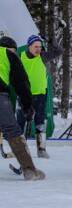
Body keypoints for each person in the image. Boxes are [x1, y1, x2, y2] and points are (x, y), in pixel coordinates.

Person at [0, 36, 45, 180]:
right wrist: (28, 106)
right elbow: (21, 82)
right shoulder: (8, 54)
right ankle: (29, 170)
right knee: (12, 131)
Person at [17, 34, 63, 158]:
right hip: (24, 95)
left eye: (40, 46)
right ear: (29, 46)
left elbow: (59, 51)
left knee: (40, 120)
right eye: (35, 46)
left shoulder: (42, 56)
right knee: (20, 120)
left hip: (40, 94)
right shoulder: (20, 57)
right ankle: (19, 149)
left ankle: (41, 148)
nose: (38, 49)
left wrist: (50, 40)